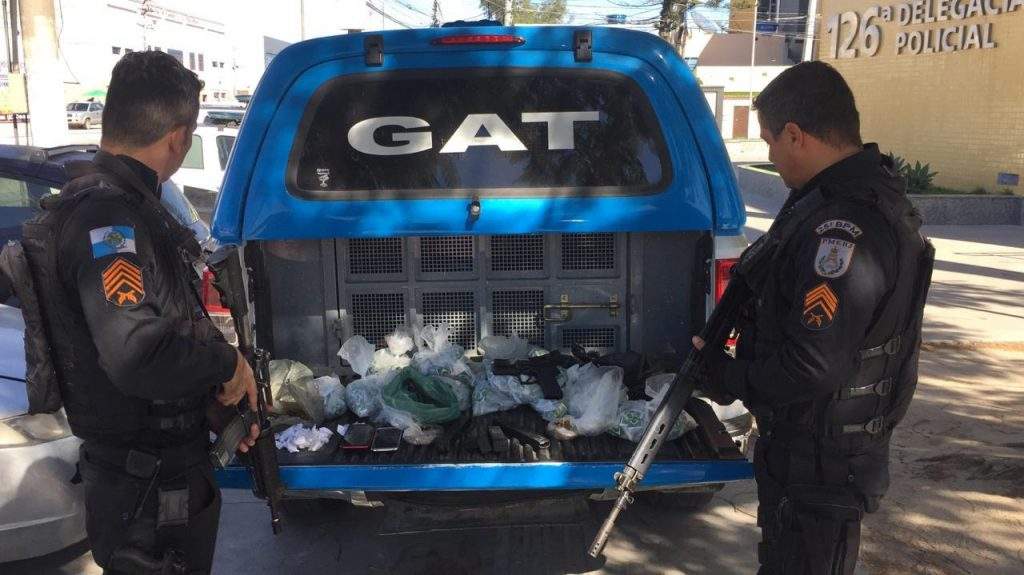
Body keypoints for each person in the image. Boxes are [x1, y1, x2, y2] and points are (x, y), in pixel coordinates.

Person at [695, 61, 934, 574]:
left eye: (769, 141)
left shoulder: (843, 228)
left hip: (821, 464)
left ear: (795, 135)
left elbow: (812, 365)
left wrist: (729, 376)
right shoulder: (844, 200)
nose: (770, 156)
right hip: (815, 456)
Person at [36, 51, 258, 573]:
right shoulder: (110, 223)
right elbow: (136, 354)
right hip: (148, 494)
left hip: (152, 478)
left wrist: (214, 401)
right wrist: (226, 364)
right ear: (179, 136)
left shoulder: (119, 205)